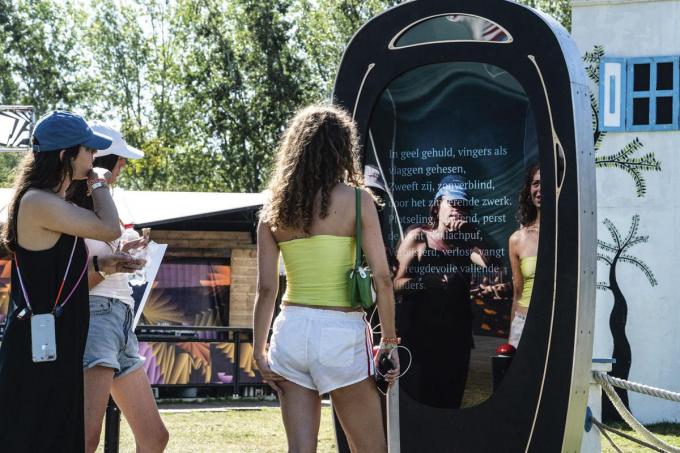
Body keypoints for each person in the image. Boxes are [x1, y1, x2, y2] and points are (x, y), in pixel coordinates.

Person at [254, 104, 400, 453]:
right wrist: (390, 344)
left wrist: (259, 351)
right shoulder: (357, 200)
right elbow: (381, 278)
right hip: (340, 333)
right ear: (342, 149)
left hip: (289, 331)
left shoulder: (273, 210)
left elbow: (266, 289)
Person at [0, 111, 120, 452]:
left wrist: (103, 264)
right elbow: (111, 227)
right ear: (67, 155)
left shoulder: (51, 203)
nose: (94, 158)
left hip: (56, 349)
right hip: (37, 352)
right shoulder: (39, 201)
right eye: (89, 151)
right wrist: (98, 182)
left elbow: (54, 278)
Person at [71, 124, 169, 453]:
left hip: (120, 320)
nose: (124, 166)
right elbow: (69, 285)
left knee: (155, 437)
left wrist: (125, 253)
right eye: (121, 160)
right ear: (103, 161)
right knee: (85, 438)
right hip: (97, 319)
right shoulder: (71, 210)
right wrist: (111, 264)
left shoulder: (104, 206)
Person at [393, 174, 493, 409]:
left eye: (464, 206)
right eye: (453, 204)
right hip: (419, 338)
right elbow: (395, 284)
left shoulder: (466, 242)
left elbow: (491, 264)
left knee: (450, 402)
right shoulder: (418, 237)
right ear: (438, 205)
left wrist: (473, 231)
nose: (458, 210)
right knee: (420, 403)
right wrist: (423, 282)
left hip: (455, 339)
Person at [508, 164, 540, 347]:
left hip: (556, 324)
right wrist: (511, 342)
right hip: (523, 324)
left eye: (546, 183)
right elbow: (517, 293)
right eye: (535, 183)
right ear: (529, 190)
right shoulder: (517, 240)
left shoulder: (567, 234)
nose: (540, 189)